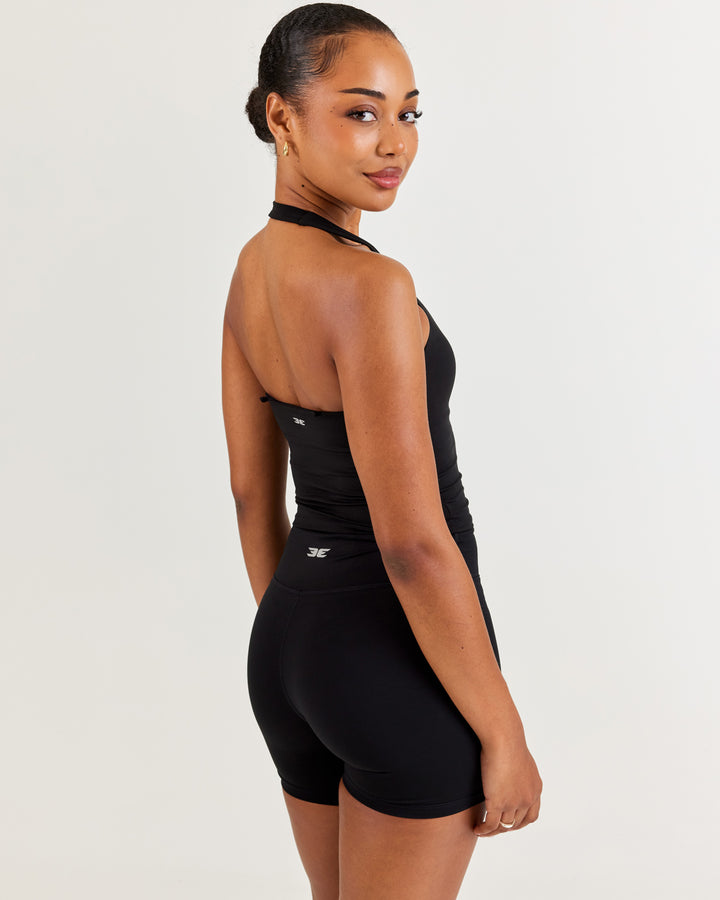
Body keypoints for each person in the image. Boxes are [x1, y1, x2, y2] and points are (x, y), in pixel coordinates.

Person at [221, 4, 542, 898]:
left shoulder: (251, 268)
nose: (393, 141)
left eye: (409, 113)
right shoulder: (371, 286)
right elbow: (411, 543)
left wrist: (308, 648)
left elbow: (251, 495)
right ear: (282, 117)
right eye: (361, 112)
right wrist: (504, 732)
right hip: (394, 659)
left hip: (290, 645)